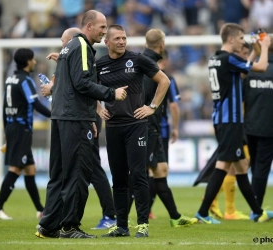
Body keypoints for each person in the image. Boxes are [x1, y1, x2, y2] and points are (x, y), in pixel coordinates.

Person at [36, 10, 127, 239]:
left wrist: (90, 116)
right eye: (102, 27)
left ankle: (48, 225)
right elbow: (83, 84)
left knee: (58, 175)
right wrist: (110, 94)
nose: (104, 31)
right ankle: (69, 226)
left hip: (60, 118)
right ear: (88, 26)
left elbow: (67, 84)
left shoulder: (68, 49)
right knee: (79, 173)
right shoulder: (83, 47)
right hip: (75, 119)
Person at [195, 23, 273, 224]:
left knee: (241, 167)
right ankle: (203, 211)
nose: (242, 41)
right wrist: (264, 48)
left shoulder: (217, 59)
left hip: (223, 119)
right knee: (223, 166)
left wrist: (254, 54)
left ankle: (256, 212)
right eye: (240, 38)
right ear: (230, 39)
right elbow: (262, 68)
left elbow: (244, 71)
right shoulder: (230, 59)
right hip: (230, 120)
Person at [97, 24, 170, 238]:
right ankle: (121, 226)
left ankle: (142, 225)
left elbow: (164, 81)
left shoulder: (137, 60)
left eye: (124, 38)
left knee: (138, 175)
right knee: (118, 178)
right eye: (117, 38)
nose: (121, 42)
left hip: (136, 126)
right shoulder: (99, 65)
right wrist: (98, 108)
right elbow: (86, 88)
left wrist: (152, 107)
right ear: (106, 42)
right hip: (113, 127)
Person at [142, 29, 197, 227]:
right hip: (147, 127)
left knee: (161, 170)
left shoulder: (149, 67)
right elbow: (174, 106)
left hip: (155, 127)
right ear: (162, 44)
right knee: (141, 173)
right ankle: (119, 218)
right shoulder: (153, 70)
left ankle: (174, 217)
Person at [0, 48, 51, 220]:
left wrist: (5, 130)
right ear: (28, 61)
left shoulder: (10, 79)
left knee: (30, 169)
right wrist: (56, 116)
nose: (35, 62)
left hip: (12, 127)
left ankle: (41, 209)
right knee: (16, 168)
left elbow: (3, 107)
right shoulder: (26, 80)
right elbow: (36, 104)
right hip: (21, 129)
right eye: (33, 59)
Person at [195, 42, 251, 221]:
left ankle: (249, 210)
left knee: (239, 164)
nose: (243, 56)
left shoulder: (227, 69)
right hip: (234, 122)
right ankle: (217, 206)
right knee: (228, 165)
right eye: (242, 52)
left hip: (231, 121)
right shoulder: (235, 75)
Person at [244, 37, 273, 208]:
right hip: (269, 128)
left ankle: (255, 206)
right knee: (261, 168)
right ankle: (256, 208)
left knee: (255, 167)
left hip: (250, 126)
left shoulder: (251, 71)